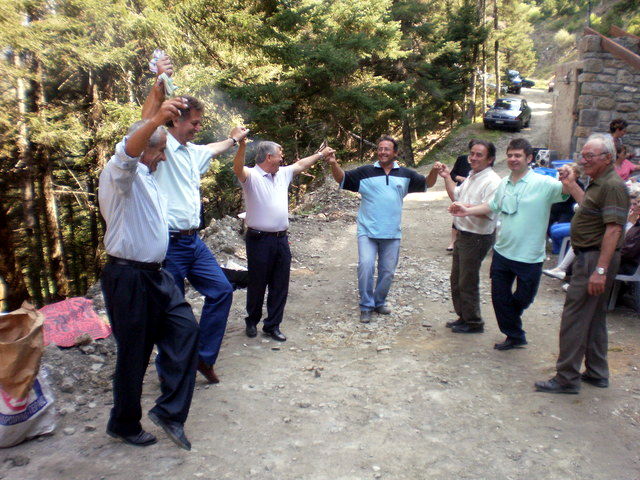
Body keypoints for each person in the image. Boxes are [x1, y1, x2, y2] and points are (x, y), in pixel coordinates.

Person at [99, 97, 198, 450]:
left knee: (186, 330)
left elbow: (144, 134)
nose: (163, 158)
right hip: (128, 278)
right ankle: (124, 424)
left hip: (157, 276)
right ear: (143, 150)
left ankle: (169, 412)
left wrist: (157, 94)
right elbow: (131, 146)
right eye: (160, 152)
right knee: (135, 353)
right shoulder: (120, 174)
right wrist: (155, 119)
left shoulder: (145, 173)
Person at [142, 57, 249, 384]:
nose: (199, 127)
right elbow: (146, 121)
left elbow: (215, 148)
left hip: (194, 242)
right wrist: (160, 83)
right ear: (175, 120)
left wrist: (234, 139)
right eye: (195, 122)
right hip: (168, 244)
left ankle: (202, 357)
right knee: (172, 311)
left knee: (221, 291)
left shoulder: (192, 152)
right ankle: (171, 374)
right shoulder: (162, 145)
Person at [450, 138, 582, 350]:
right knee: (499, 298)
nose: (513, 159)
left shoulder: (543, 183)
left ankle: (511, 323)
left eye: (518, 155)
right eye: (510, 155)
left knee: (523, 299)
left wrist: (571, 180)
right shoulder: (504, 183)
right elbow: (492, 206)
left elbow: (567, 191)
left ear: (529, 158)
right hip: (503, 251)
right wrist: (467, 210)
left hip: (530, 255)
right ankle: (514, 335)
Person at [535, 133, 629, 394]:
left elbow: (613, 229)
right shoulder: (599, 183)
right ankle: (597, 372)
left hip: (594, 259)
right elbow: (589, 209)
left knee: (574, 318)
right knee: (594, 317)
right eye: (583, 155)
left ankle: (566, 378)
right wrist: (571, 183)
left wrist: (600, 270)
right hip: (591, 257)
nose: (584, 160)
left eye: (590, 156)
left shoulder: (612, 186)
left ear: (607, 158)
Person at [326, 135, 439, 323]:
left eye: (387, 149)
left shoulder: (405, 174)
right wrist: (333, 163)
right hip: (367, 232)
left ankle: (379, 302)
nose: (382, 152)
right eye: (380, 149)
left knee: (388, 272)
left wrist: (434, 171)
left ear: (395, 153)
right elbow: (342, 179)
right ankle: (366, 306)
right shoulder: (365, 172)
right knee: (366, 266)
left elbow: (427, 183)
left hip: (392, 233)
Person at [233, 138, 334, 341]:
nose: (282, 158)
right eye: (280, 154)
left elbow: (301, 164)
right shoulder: (251, 175)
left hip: (281, 239)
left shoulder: (283, 174)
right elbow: (237, 168)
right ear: (269, 157)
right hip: (258, 239)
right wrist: (242, 146)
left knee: (280, 284)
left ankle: (272, 325)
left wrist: (321, 154)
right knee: (257, 283)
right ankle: (252, 321)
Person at [434, 139, 501, 333]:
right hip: (463, 234)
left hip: (477, 236)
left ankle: (473, 322)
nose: (473, 158)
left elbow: (490, 209)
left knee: (467, 281)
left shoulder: (492, 181)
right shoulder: (472, 175)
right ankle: (463, 317)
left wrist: (466, 210)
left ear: (490, 159)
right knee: (456, 279)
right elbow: (456, 196)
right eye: (472, 153)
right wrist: (447, 177)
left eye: (479, 155)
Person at [446, 146, 474, 251]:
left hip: (475, 192)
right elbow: (452, 174)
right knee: (457, 213)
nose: (474, 156)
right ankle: (453, 242)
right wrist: (459, 178)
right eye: (472, 152)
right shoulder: (462, 159)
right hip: (461, 190)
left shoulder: (482, 163)